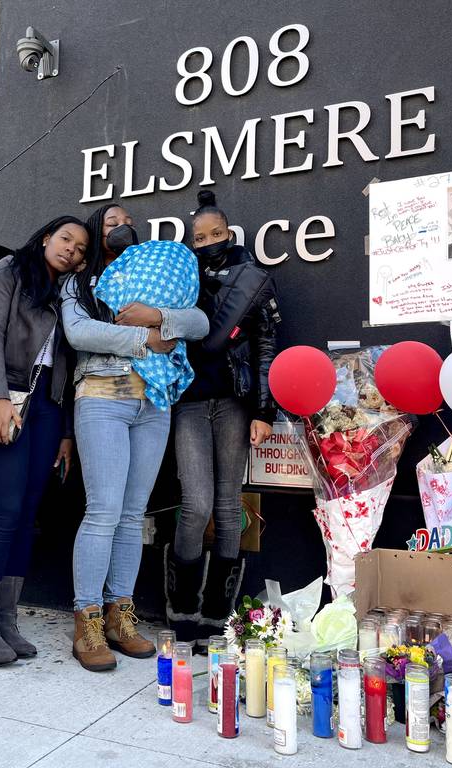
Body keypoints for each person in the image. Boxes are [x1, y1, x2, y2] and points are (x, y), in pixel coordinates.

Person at [62, 203, 209, 672]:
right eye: (108, 222)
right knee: (103, 510)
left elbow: (199, 323)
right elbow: (78, 332)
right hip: (103, 395)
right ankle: (86, 619)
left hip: (154, 403)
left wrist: (158, 315)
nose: (118, 227)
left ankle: (119, 617)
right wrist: (146, 339)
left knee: (131, 515)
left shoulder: (160, 274)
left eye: (125, 221)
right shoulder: (81, 281)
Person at [0, 216, 88, 666]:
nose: (71, 249)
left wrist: (68, 434)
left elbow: (69, 367)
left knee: (28, 516)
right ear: (45, 237)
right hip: (7, 397)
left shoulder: (67, 295)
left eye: (79, 247)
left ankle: (8, 622)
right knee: (5, 512)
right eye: (65, 239)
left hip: (47, 411)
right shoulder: (10, 271)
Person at [164, 190, 280, 644]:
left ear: (229, 233)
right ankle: (182, 610)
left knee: (230, 507)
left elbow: (267, 346)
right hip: (188, 401)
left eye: (215, 234)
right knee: (195, 505)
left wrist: (264, 410)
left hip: (234, 401)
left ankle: (218, 616)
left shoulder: (253, 278)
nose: (208, 241)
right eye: (199, 236)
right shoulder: (178, 275)